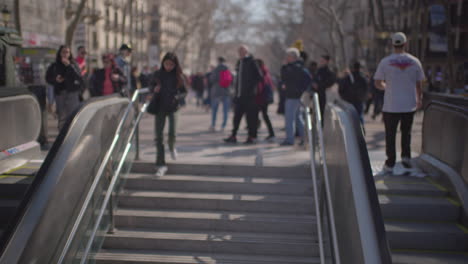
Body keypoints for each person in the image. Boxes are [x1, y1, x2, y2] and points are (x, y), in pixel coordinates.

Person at [374, 32, 425, 173]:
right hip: (409, 104)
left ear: (392, 44)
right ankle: (406, 157)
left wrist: (387, 87)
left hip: (391, 105)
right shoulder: (415, 62)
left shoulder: (385, 62)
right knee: (406, 132)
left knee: (390, 134)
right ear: (405, 44)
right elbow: (419, 84)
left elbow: (378, 83)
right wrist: (419, 99)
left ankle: (390, 162)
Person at [149, 52, 187, 176]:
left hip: (174, 108)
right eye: (166, 64)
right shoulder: (157, 74)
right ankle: (160, 164)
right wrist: (153, 89)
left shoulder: (179, 76)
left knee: (172, 132)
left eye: (171, 64)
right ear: (163, 63)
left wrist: (177, 97)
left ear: (175, 65)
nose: (168, 66)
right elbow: (150, 87)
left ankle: (171, 147)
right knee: (159, 137)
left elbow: (184, 92)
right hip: (159, 108)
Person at [224, 45, 262, 144]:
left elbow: (259, 77)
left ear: (247, 52)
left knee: (250, 118)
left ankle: (251, 136)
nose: (240, 53)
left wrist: (251, 88)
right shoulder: (239, 62)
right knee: (236, 117)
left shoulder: (252, 62)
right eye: (239, 51)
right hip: (239, 96)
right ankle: (233, 135)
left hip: (249, 96)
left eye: (242, 51)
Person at [45, 45, 84, 130]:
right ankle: (62, 137)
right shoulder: (54, 66)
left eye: (67, 52)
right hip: (60, 93)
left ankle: (72, 135)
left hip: (72, 93)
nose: (65, 54)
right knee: (62, 117)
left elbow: (79, 78)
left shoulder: (74, 65)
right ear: (59, 53)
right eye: (63, 52)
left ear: (70, 54)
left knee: (72, 116)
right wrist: (55, 80)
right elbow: (48, 78)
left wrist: (69, 66)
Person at [280, 48, 312, 146]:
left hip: (293, 96)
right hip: (298, 96)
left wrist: (299, 89)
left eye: (288, 56)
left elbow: (284, 76)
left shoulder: (292, 68)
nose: (286, 58)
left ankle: (290, 140)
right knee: (298, 118)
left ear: (293, 57)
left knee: (290, 119)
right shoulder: (301, 67)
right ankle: (304, 138)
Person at [209, 56, 233, 132]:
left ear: (218, 61)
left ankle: (213, 125)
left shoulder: (216, 69)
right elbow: (232, 80)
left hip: (216, 92)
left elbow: (212, 79)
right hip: (226, 92)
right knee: (225, 111)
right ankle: (223, 126)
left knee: (214, 110)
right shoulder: (228, 69)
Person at [255, 59, 275, 141]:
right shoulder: (265, 71)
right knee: (264, 115)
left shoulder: (261, 72)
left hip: (261, 97)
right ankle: (271, 133)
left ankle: (254, 133)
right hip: (264, 97)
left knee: (258, 115)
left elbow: (260, 86)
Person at [314, 55, 336, 125]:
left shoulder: (329, 72)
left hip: (325, 96)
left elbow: (330, 83)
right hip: (318, 95)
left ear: (327, 61)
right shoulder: (319, 70)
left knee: (326, 114)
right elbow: (315, 79)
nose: (321, 62)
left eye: (323, 61)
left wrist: (320, 86)